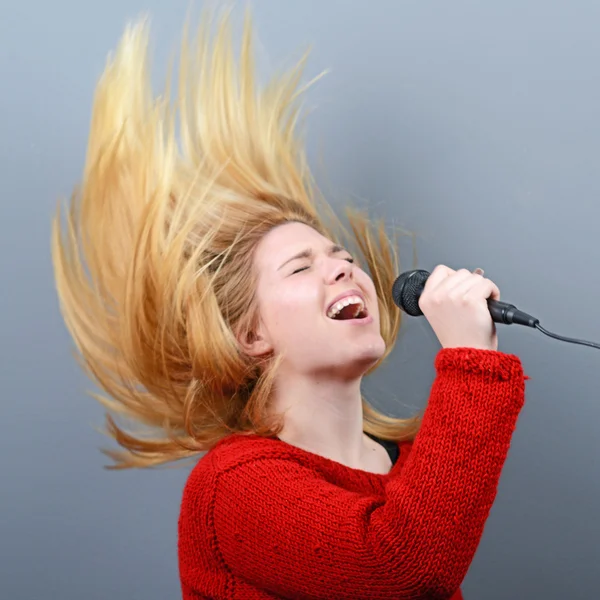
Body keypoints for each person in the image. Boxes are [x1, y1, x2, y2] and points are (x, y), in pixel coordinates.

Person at [51, 9, 527, 600]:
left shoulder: (412, 470)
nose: (344, 266)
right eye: (302, 267)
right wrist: (471, 364)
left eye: (341, 255)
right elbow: (400, 571)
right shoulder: (234, 486)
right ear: (251, 334)